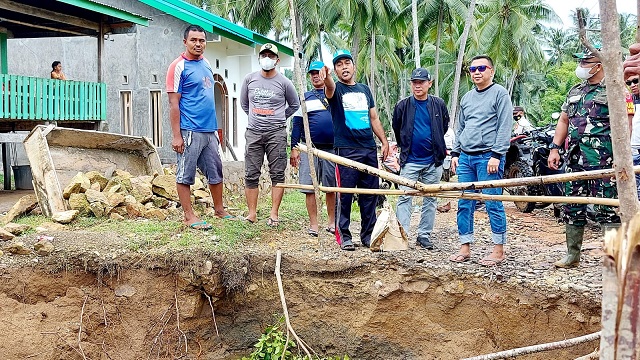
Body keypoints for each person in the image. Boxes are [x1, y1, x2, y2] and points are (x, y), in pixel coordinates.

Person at [547, 47, 631, 268]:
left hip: (604, 160)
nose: (581, 67)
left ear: (599, 65)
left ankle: (614, 260)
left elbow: (625, 123)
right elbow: (564, 120)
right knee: (572, 206)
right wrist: (554, 148)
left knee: (607, 209)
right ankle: (572, 255)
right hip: (575, 160)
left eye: (586, 63)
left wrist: (621, 157)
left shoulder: (616, 90)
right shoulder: (576, 91)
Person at [319, 49, 389, 251]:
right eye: (339, 65)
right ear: (336, 70)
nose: (344, 67)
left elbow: (374, 118)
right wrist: (327, 79)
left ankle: (368, 236)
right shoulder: (336, 90)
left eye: (346, 63)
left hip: (368, 148)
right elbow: (329, 88)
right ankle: (344, 236)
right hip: (346, 150)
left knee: (370, 195)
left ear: (353, 66)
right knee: (345, 194)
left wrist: (383, 141)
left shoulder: (365, 90)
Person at [166, 24, 231, 230]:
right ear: (185, 41)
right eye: (193, 40)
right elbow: (173, 104)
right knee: (185, 173)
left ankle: (219, 210)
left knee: (216, 171)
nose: (198, 44)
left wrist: (215, 130)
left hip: (209, 130)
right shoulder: (178, 67)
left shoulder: (207, 64)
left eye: (202, 40)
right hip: (189, 129)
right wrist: (177, 136)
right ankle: (188, 216)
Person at [449, 55, 512, 266]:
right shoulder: (466, 97)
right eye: (473, 69)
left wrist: (496, 154)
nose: (477, 72)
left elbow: (505, 126)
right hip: (466, 157)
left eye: (482, 68)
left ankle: (498, 249)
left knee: (493, 202)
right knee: (464, 202)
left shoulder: (500, 94)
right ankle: (465, 246)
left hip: (488, 156)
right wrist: (455, 154)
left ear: (491, 71)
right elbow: (460, 127)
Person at [241, 43, 300, 226]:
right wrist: (256, 116)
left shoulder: (284, 82)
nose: (267, 58)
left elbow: (295, 105)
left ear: (277, 60)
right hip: (254, 133)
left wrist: (279, 117)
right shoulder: (249, 79)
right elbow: (244, 104)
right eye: (264, 55)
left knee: (277, 174)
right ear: (259, 58)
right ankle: (252, 213)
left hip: (277, 133)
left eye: (271, 55)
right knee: (251, 173)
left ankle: (274, 213)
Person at [392, 68, 450, 250]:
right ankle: (403, 234)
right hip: (410, 160)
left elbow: (444, 126)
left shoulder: (438, 104)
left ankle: (424, 235)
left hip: (433, 161)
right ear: (411, 84)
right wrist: (405, 147)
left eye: (422, 82)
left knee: (431, 198)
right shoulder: (403, 106)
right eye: (414, 82)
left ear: (429, 84)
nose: (418, 86)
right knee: (404, 197)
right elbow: (397, 128)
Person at [290, 60, 336, 236]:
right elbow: (297, 124)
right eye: (312, 73)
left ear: (324, 73)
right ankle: (314, 224)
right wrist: (294, 148)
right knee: (309, 188)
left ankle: (332, 222)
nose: (316, 76)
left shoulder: (333, 95)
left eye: (318, 72)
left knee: (331, 187)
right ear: (309, 77)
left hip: (332, 150)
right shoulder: (304, 98)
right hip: (310, 148)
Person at [626, 71, 640, 199]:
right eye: (629, 83)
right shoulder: (629, 101)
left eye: (636, 81)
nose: (633, 85)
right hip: (634, 149)